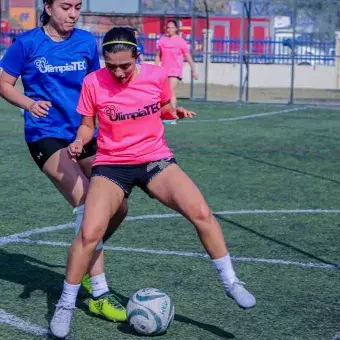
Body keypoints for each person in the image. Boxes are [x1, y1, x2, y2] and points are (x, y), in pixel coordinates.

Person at [49, 26, 256, 339]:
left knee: (201, 212)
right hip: (112, 164)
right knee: (89, 233)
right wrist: (79, 142)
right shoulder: (93, 81)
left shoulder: (156, 75)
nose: (118, 72)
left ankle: (231, 283)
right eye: (111, 66)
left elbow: (160, 106)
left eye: (125, 66)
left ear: (138, 56)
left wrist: (173, 111)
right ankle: (65, 305)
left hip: (154, 159)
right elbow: (87, 124)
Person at [0, 0, 127, 323]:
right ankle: (98, 292)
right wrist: (28, 103)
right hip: (46, 135)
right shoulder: (27, 43)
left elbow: (95, 86)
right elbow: (3, 83)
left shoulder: (86, 42)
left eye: (77, 7)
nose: (72, 13)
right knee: (88, 201)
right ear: (48, 6)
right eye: (66, 6)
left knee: (119, 205)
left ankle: (80, 257)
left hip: (83, 133)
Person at [155, 19, 198, 124]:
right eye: (168, 27)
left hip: (175, 70)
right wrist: (155, 68)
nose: (169, 29)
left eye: (172, 27)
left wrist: (194, 70)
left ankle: (172, 116)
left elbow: (188, 56)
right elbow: (157, 56)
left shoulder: (181, 41)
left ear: (176, 29)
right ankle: (165, 114)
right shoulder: (162, 40)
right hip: (164, 70)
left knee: (170, 91)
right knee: (163, 93)